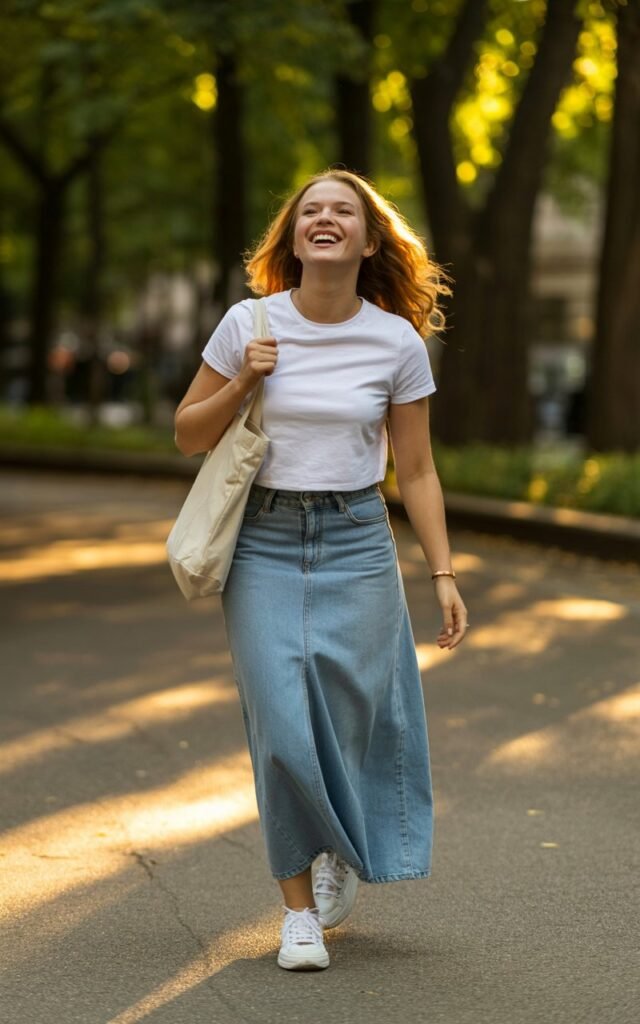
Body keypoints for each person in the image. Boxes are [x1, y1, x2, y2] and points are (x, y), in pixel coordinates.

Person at [174, 169, 468, 972]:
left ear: (369, 241)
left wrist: (441, 574)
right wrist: (243, 380)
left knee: (352, 716)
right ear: (294, 237)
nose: (326, 219)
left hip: (356, 537)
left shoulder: (396, 341)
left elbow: (416, 471)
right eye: (312, 211)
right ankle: (297, 911)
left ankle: (338, 847)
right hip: (264, 540)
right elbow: (187, 434)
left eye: (344, 211)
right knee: (279, 721)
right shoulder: (249, 321)